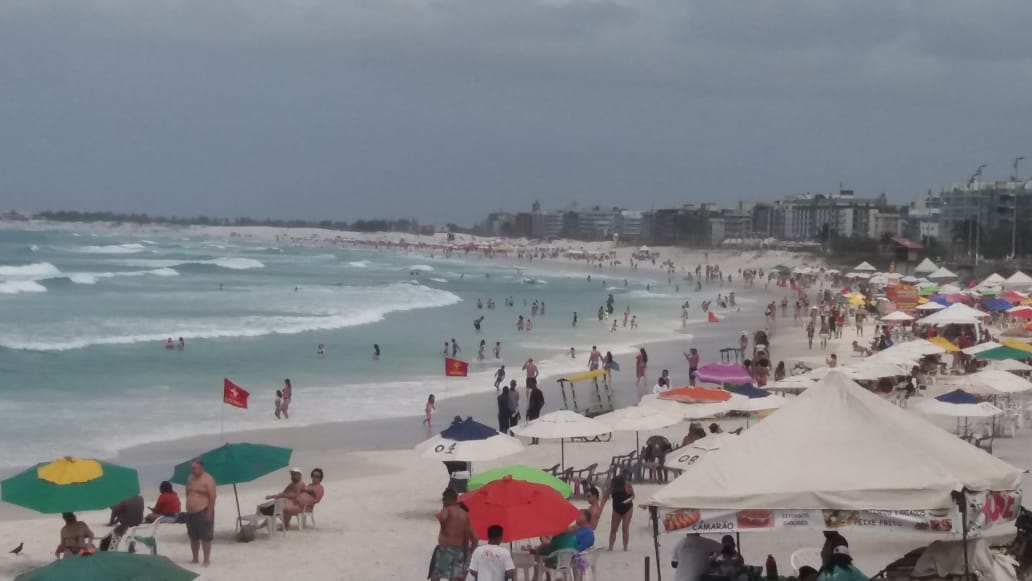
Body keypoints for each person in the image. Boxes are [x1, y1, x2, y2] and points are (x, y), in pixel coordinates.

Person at [429, 488, 477, 581]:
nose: (443, 501)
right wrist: (470, 552)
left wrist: (444, 528)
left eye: (444, 499)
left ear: (447, 498)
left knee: (436, 575)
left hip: (446, 550)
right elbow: (475, 537)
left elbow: (442, 517)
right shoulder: (465, 514)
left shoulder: (447, 509)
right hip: (460, 550)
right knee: (455, 577)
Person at [185, 458, 216, 566]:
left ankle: (206, 560)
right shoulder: (190, 478)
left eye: (194, 468)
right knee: (193, 537)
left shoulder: (208, 479)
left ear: (201, 467)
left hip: (203, 511)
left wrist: (209, 511)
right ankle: (195, 558)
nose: (192, 470)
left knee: (206, 538)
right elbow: (188, 492)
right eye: (191, 468)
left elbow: (213, 497)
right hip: (190, 512)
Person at [602, 473, 634, 551]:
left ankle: (625, 547)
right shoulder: (611, 487)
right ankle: (610, 547)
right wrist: (600, 509)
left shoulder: (628, 485)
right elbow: (604, 498)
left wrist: (626, 501)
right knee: (613, 528)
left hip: (628, 508)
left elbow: (633, 496)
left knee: (625, 528)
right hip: (616, 509)